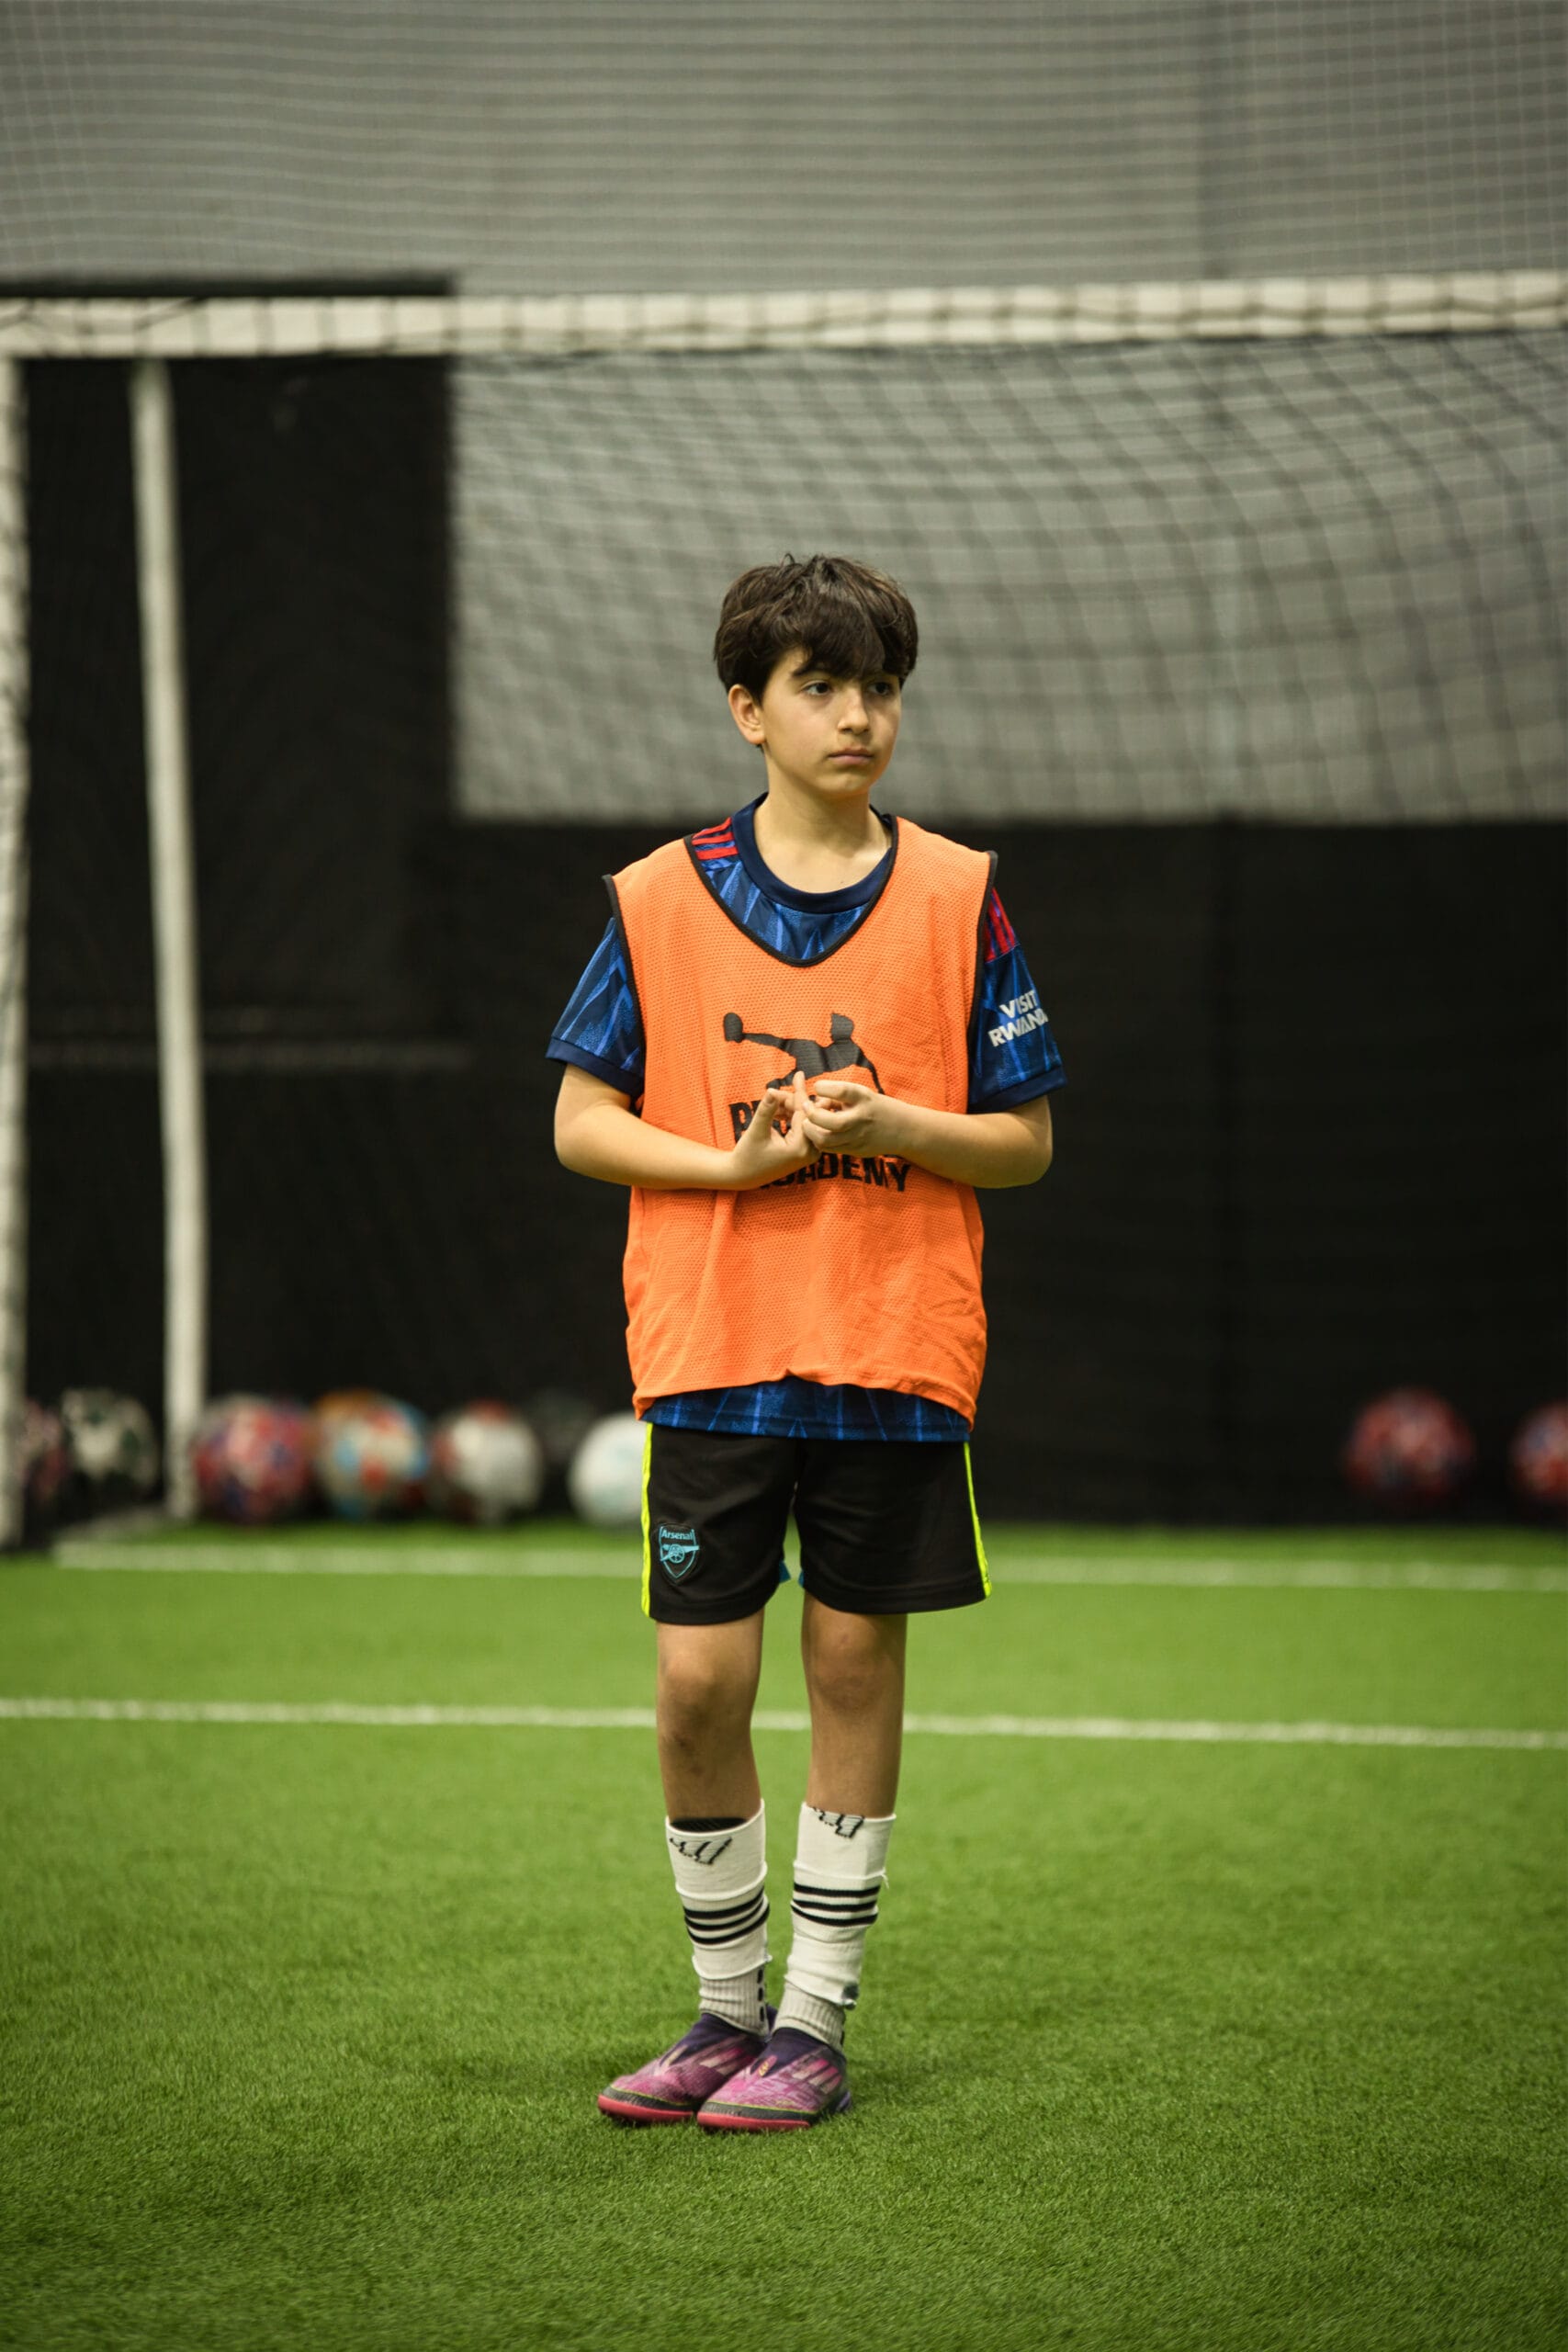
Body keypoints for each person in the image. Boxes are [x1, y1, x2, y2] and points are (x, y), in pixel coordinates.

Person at [548, 553, 1064, 2132]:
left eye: (881, 687)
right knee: (699, 1687)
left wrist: (900, 1118)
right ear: (747, 709)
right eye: (823, 687)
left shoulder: (960, 896)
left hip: (893, 1342)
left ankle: (816, 2028)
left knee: (851, 1659)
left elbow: (1027, 1143)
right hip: (713, 1343)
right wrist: (730, 1168)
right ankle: (722, 2014)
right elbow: (579, 1121)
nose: (859, 716)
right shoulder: (654, 897)